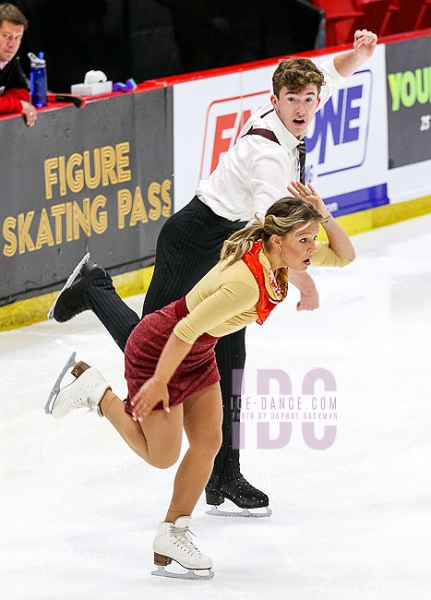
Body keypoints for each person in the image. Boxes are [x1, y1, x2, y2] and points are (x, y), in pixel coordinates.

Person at [49, 29, 377, 513]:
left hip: (229, 246)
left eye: (309, 99)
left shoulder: (297, 105)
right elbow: (275, 226)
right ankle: (95, 286)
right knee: (153, 342)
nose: (304, 108)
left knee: (231, 358)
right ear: (275, 100)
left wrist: (359, 54)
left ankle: (225, 474)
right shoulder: (268, 154)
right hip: (194, 239)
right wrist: (304, 281)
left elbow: (328, 74)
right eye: (294, 100)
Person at [46, 188, 356, 578]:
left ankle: (172, 532)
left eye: (313, 238)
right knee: (161, 455)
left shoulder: (277, 261)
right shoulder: (246, 280)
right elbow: (183, 330)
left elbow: (345, 256)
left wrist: (323, 214)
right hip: (162, 346)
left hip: (196, 351)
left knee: (209, 440)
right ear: (278, 241)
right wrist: (159, 382)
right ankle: (96, 391)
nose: (313, 247)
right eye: (305, 240)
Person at [0, 3, 37, 127]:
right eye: (6, 36)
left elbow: (22, 91)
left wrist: (5, 103)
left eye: (18, 38)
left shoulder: (10, 60)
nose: (12, 44)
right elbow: (21, 102)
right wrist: (19, 105)